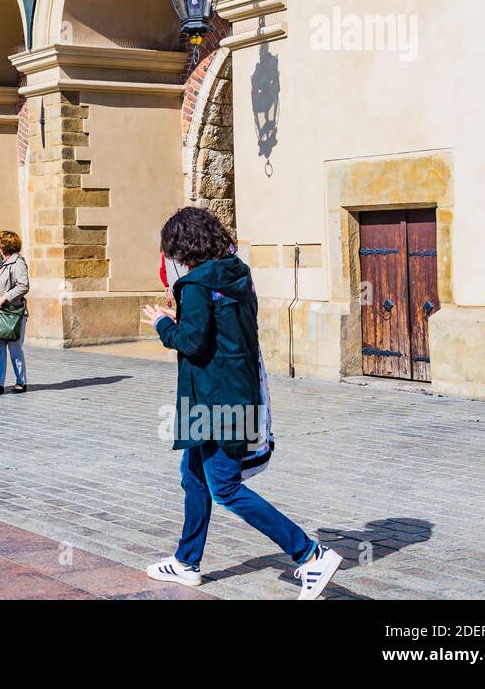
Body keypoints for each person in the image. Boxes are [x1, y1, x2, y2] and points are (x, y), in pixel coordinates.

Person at [141, 207, 343, 600]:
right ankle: (186, 562)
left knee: (226, 487)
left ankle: (310, 553)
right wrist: (183, 320)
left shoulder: (196, 286)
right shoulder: (237, 272)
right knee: (193, 475)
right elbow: (217, 331)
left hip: (213, 398)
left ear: (183, 246)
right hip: (238, 389)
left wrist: (165, 325)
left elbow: (192, 342)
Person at [0, 230, 30, 396]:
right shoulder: (0, 262)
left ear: (4, 245)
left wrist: (5, 298)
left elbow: (23, 285)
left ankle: (21, 382)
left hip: (14, 313)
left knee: (15, 348)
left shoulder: (18, 263)